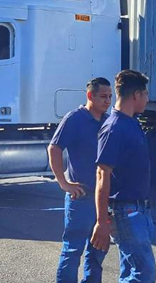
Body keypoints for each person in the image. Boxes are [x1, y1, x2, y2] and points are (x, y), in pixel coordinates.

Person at [90, 70, 155, 283]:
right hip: (125, 211)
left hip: (138, 209)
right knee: (144, 273)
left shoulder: (131, 122)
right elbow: (102, 175)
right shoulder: (113, 128)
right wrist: (101, 221)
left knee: (131, 272)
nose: (147, 98)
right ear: (135, 95)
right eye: (145, 94)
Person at [49, 77, 113, 283]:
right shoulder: (74, 119)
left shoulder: (108, 121)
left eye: (110, 97)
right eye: (103, 96)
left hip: (102, 199)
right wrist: (64, 183)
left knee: (97, 251)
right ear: (89, 96)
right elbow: (54, 148)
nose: (107, 101)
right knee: (73, 250)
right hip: (82, 197)